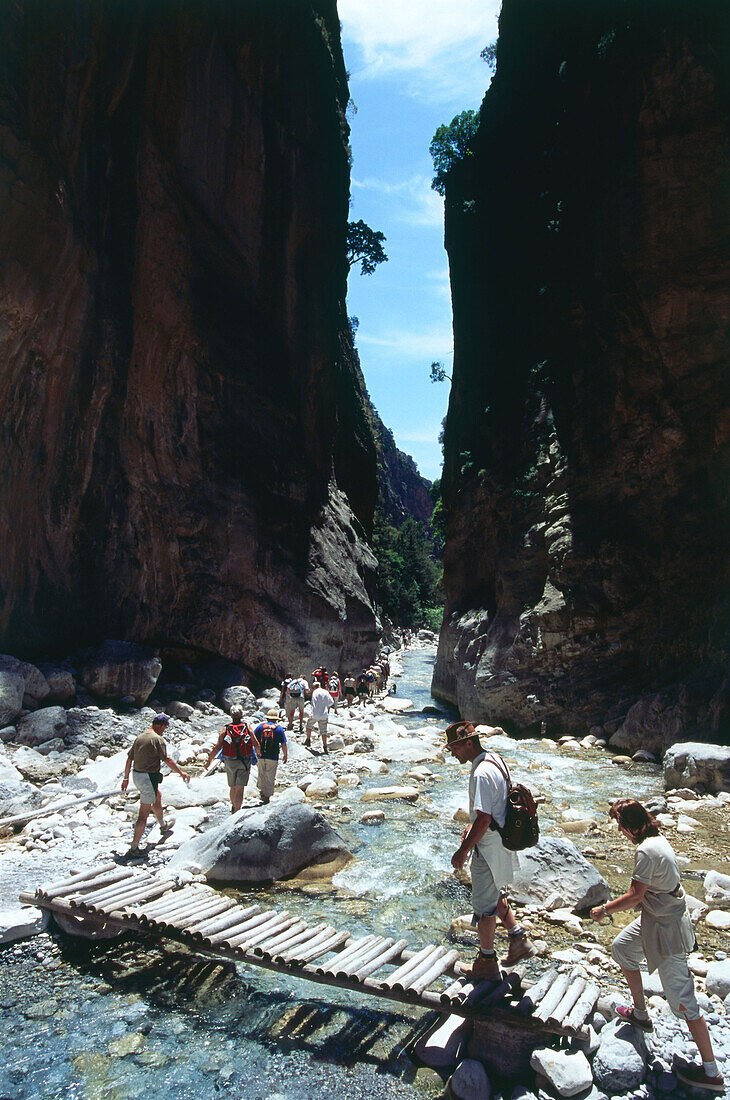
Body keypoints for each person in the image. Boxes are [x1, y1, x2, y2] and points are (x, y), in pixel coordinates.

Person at [590, 799, 724, 1093]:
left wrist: (605, 910)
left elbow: (636, 896)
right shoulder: (655, 838)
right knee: (622, 948)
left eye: (621, 825)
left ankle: (712, 1073)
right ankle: (640, 1012)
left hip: (667, 929)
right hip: (656, 917)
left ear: (631, 827)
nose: (620, 831)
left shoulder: (646, 851)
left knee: (685, 1002)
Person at [446, 720, 536, 980]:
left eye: (455, 747)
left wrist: (463, 850)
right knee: (493, 891)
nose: (453, 753)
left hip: (488, 844)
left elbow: (485, 819)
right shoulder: (495, 760)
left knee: (484, 906)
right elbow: (491, 811)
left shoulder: (481, 773)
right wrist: (472, 827)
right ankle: (518, 938)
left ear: (468, 743)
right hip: (501, 840)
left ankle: (486, 963)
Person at [121, 714, 190, 853]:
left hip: (137, 776)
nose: (164, 730)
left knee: (157, 796)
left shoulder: (140, 737)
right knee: (143, 815)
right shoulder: (157, 740)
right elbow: (167, 760)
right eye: (165, 727)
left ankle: (163, 825)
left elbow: (129, 759)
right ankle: (134, 847)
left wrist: (126, 778)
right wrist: (181, 772)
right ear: (160, 725)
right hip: (148, 779)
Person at [205, 706, 260, 812]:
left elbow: (217, 747)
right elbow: (255, 742)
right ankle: (237, 811)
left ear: (231, 715)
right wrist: (258, 753)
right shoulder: (247, 727)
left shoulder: (226, 728)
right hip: (244, 761)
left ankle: (234, 806)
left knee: (232, 786)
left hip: (230, 760)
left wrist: (209, 761)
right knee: (240, 788)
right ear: (241, 715)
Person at [253, 708, 288, 804]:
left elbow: (253, 739)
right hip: (273, 756)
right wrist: (285, 755)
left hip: (261, 756)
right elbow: (283, 743)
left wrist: (256, 752)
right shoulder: (279, 728)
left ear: (267, 718)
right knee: (270, 776)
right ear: (276, 719)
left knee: (261, 773)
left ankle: (261, 792)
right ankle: (267, 796)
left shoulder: (260, 727)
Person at [305, 680, 334, 752]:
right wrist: (326, 706)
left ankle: (308, 740)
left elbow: (313, 703)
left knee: (308, 725)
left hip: (315, 714)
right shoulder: (326, 692)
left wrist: (311, 714)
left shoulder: (315, 692)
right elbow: (331, 702)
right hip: (324, 714)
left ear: (314, 687)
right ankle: (325, 746)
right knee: (324, 731)